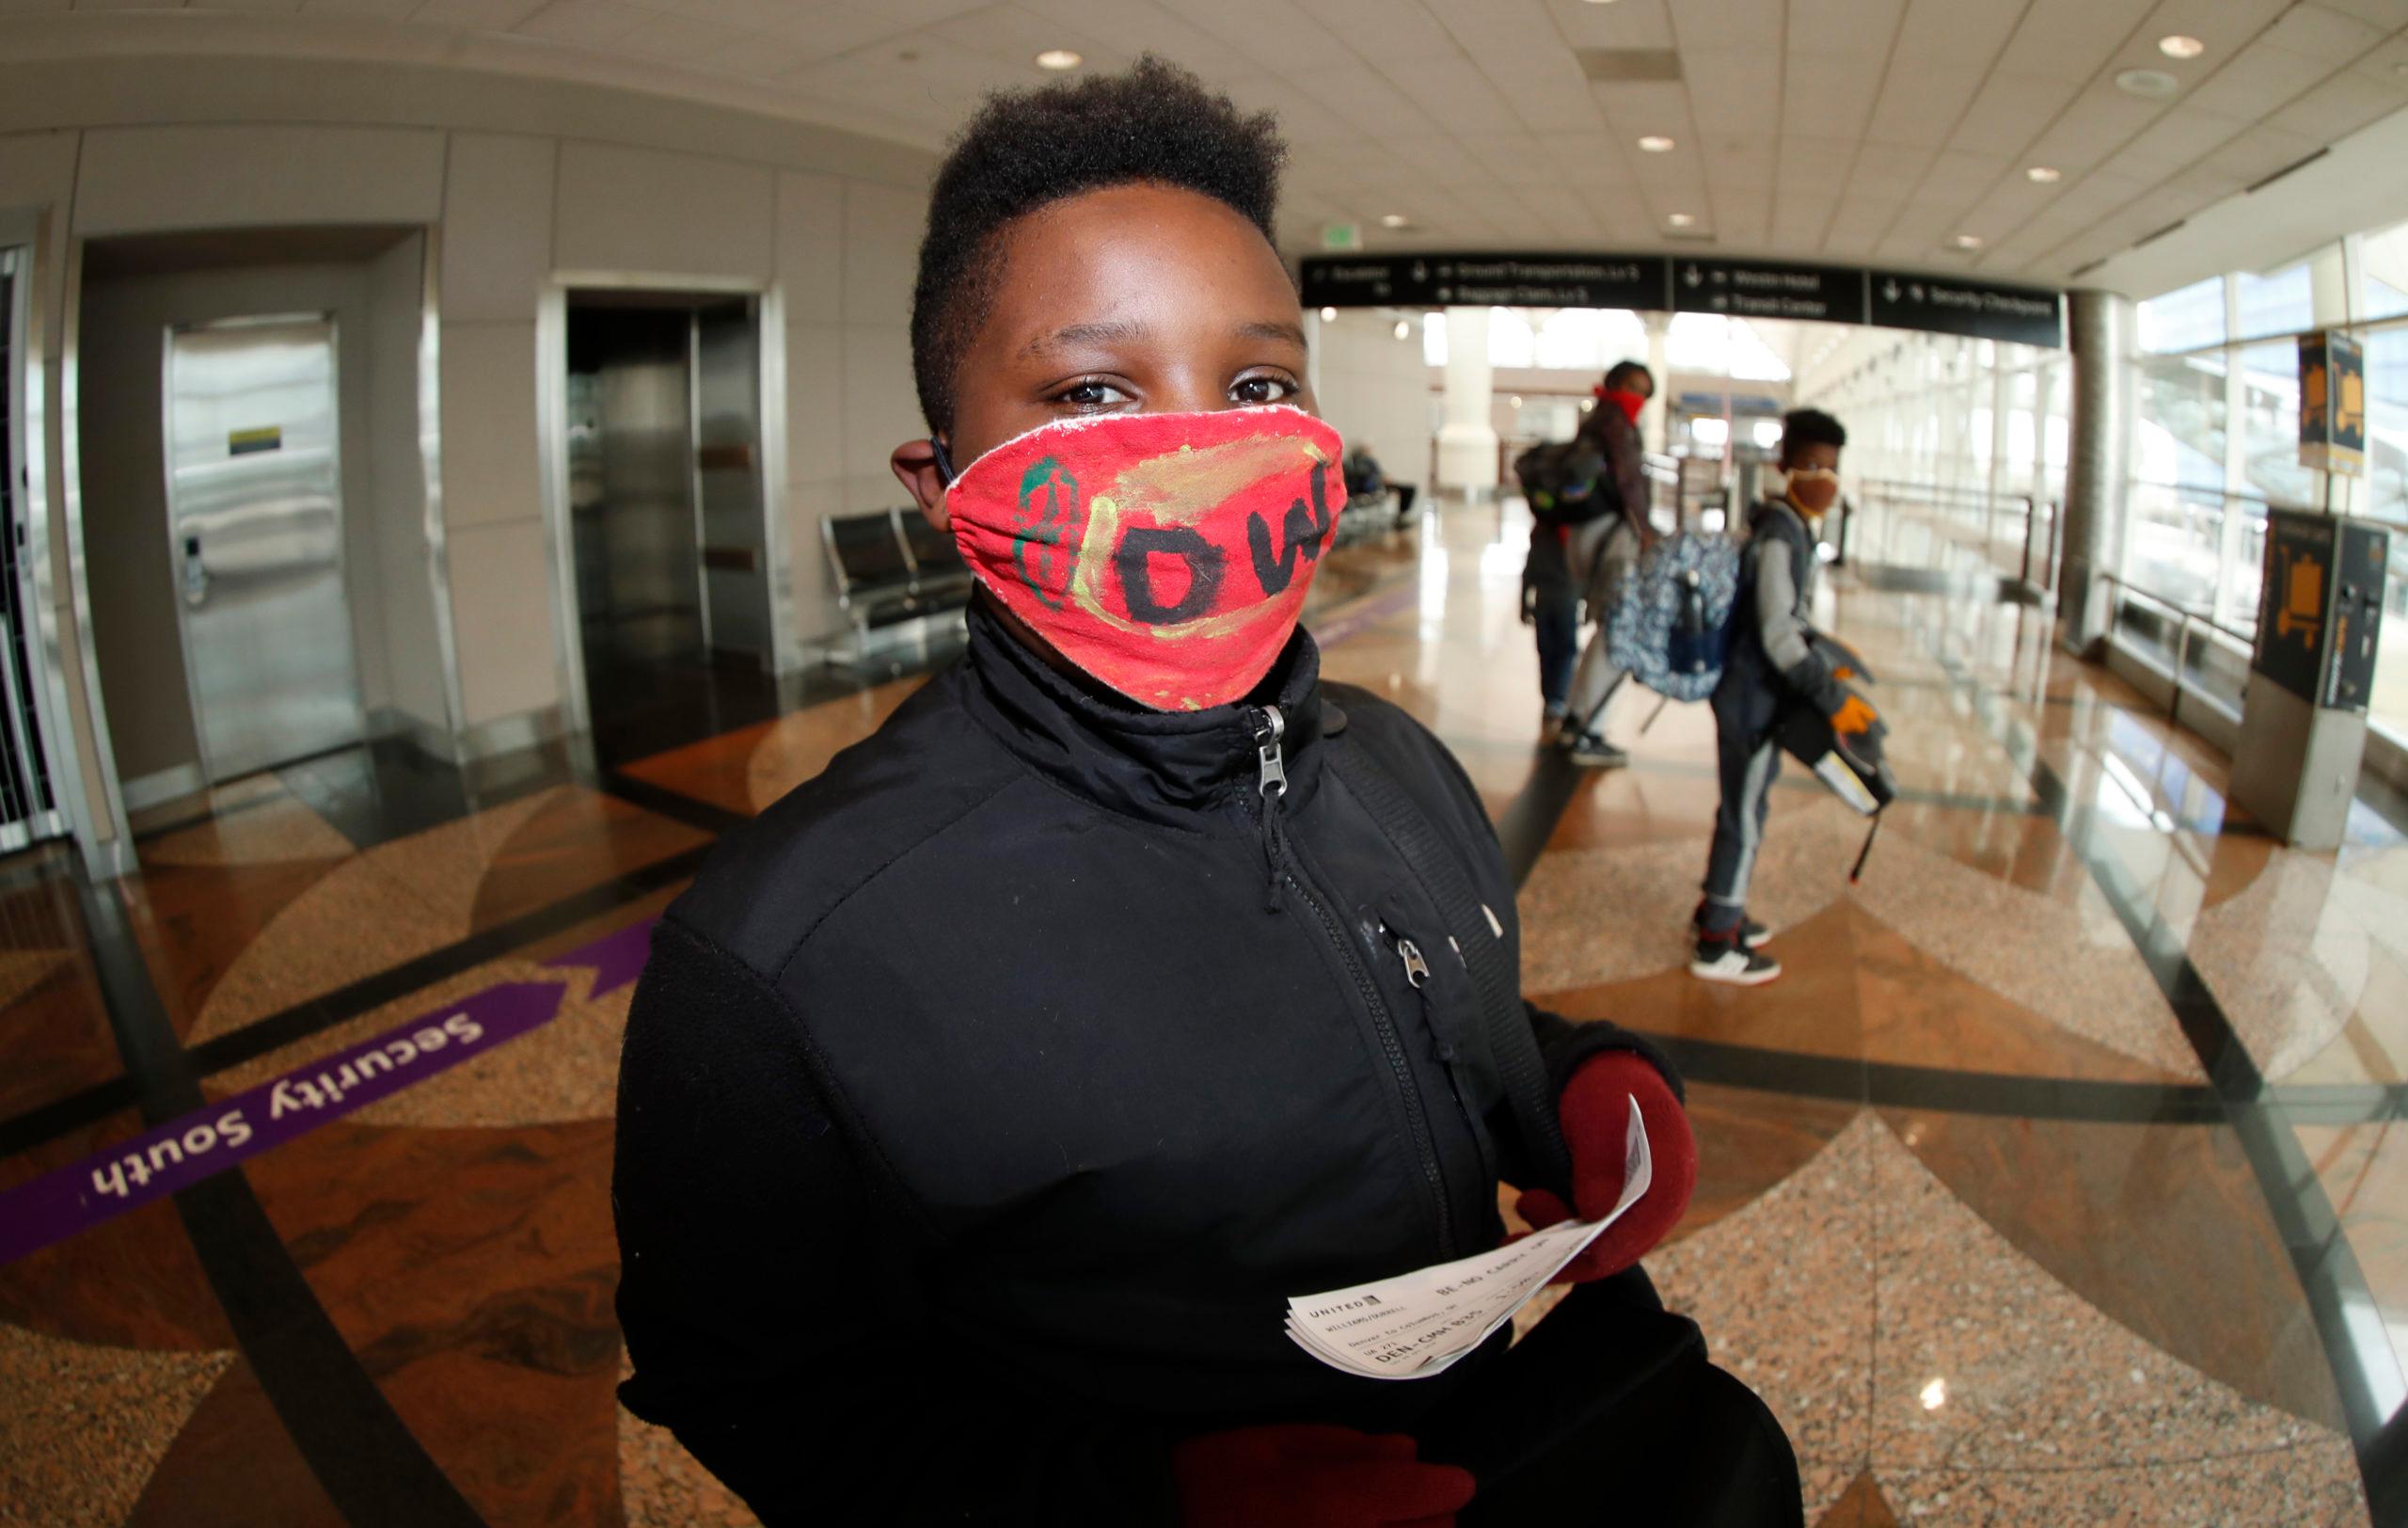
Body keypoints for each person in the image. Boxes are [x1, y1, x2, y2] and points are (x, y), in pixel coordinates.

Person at [613, 58, 1799, 1527]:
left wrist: (1573, 1079)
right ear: (944, 480)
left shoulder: (1399, 760)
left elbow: (1416, 1010)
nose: (1205, 446)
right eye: (1093, 388)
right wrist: (1124, 1505)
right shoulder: (777, 959)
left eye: (1257, 385)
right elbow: (758, 1387)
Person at [1692, 408, 1865, 986]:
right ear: (1783, 465)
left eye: (1832, 469)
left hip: (1756, 699)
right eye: (1812, 465)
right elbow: (1775, 631)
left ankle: (1723, 907)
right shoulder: (1778, 534)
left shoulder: (1790, 525)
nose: (1824, 479)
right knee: (1743, 815)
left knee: (1747, 808)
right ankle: (1717, 942)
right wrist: (1825, 690)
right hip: (1751, 701)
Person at [1522, 362, 1656, 768]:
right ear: (1614, 385)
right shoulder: (1616, 424)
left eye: (1644, 392)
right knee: (1616, 629)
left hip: (1581, 541)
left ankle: (1572, 717)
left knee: (1602, 628)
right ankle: (1584, 727)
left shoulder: (1596, 421)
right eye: (1632, 387)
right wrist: (1646, 529)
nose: (1637, 398)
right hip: (1603, 539)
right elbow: (1630, 481)